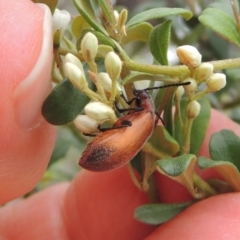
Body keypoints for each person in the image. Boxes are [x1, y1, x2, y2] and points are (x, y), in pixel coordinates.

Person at [1, 1, 240, 239]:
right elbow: (123, 121)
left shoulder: (143, 117)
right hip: (110, 145)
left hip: (110, 146)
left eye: (143, 96)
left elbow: (123, 121)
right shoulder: (144, 116)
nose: (140, 95)